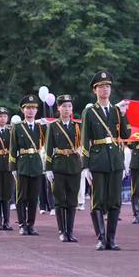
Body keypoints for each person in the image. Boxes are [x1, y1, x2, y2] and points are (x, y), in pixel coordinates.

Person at [81, 71, 131, 251]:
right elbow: (85, 139)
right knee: (98, 201)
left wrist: (125, 115)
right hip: (98, 160)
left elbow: (126, 135)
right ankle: (101, 238)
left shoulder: (117, 111)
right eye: (101, 87)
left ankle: (111, 239)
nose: (105, 89)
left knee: (114, 201)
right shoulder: (90, 112)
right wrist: (85, 166)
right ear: (95, 90)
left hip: (115, 161)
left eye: (108, 86)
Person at [45, 94, 82, 242]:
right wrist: (48, 168)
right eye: (64, 106)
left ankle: (70, 231)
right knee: (60, 200)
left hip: (74, 165)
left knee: (72, 200)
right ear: (59, 108)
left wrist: (84, 166)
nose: (67, 109)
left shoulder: (77, 126)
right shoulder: (53, 126)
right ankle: (62, 231)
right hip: (58, 165)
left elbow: (82, 147)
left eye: (69, 106)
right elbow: (48, 148)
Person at [9, 95, 47, 236]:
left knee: (33, 197)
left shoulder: (40, 127)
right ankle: (22, 224)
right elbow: (13, 148)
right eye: (28, 108)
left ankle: (31, 224)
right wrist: (13, 167)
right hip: (23, 164)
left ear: (37, 111)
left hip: (36, 163)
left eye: (33, 108)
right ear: (23, 110)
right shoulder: (17, 127)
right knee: (22, 196)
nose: (31, 111)